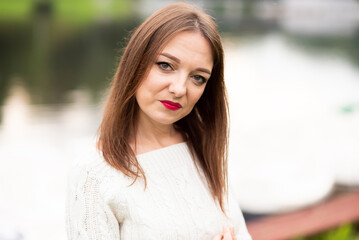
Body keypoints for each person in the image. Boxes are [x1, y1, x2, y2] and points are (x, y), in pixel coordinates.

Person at [66, 2, 252, 240]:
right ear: (136, 62)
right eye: (166, 65)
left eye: (198, 77)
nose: (179, 88)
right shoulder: (93, 175)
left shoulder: (203, 147)